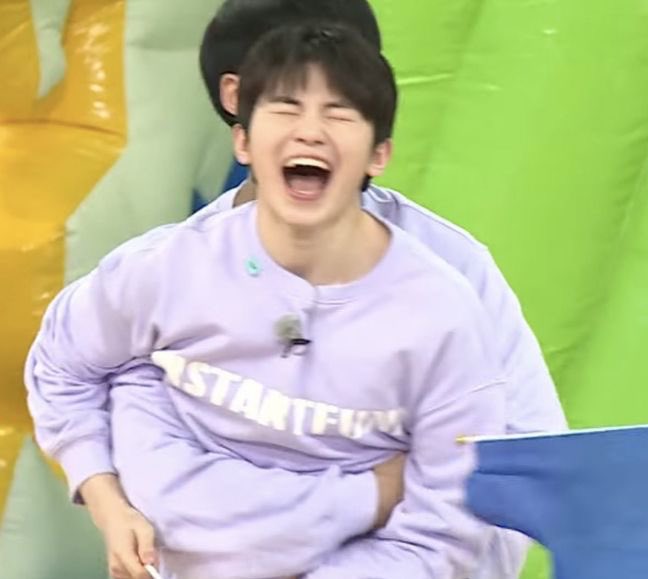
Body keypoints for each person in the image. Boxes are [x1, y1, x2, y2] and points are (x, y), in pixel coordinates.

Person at [27, 21, 507, 579]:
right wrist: (108, 503)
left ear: (379, 155)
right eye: (286, 107)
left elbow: (447, 533)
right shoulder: (169, 267)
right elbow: (61, 365)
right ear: (243, 142)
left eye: (338, 112)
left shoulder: (442, 316)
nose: (310, 132)